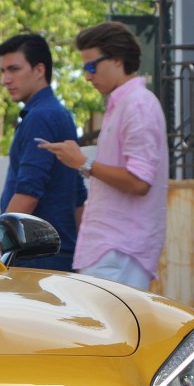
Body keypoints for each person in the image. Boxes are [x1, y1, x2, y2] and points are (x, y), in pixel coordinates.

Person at [38, 21, 168, 291]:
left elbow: (139, 182)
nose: (87, 76)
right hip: (110, 250)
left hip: (120, 250)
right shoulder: (123, 104)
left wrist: (83, 162)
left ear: (117, 60)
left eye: (91, 66)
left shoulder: (138, 105)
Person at [0, 33, 87, 271]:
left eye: (13, 69)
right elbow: (78, 196)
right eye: (3, 71)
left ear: (39, 70)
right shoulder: (60, 114)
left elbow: (28, 194)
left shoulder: (40, 117)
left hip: (36, 262)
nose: (6, 79)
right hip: (61, 259)